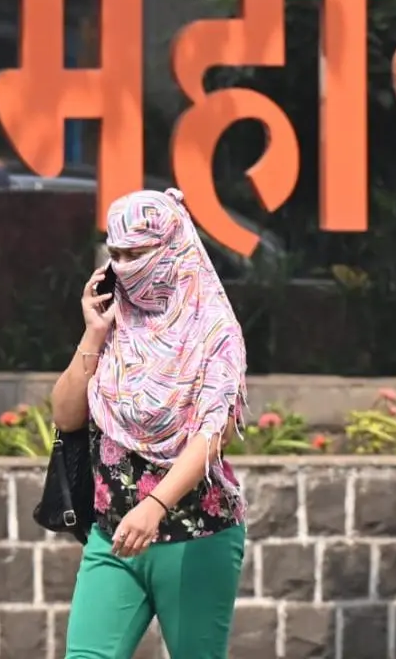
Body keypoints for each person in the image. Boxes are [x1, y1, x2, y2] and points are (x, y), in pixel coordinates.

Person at [49, 188, 248, 659]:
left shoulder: (213, 330)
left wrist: (154, 506)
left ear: (172, 249)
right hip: (112, 534)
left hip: (195, 535)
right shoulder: (116, 322)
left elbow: (212, 433)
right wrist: (93, 334)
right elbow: (65, 415)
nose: (124, 267)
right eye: (115, 255)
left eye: (136, 254)